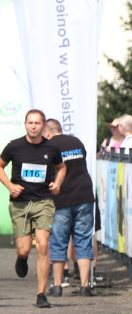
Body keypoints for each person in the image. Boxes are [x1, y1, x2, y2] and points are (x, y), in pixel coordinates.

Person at [0, 109, 66, 308]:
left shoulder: (51, 147)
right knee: (25, 248)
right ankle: (21, 257)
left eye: (37, 123)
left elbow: (61, 168)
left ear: (43, 126)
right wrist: (10, 186)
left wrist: (57, 184)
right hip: (20, 203)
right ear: (25, 124)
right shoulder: (14, 146)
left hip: (43, 201)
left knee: (43, 245)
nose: (34, 126)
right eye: (30, 122)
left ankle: (41, 294)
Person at [44, 119, 96, 297]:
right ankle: (85, 286)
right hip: (84, 195)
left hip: (62, 198)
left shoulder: (48, 146)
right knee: (83, 239)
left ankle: (57, 286)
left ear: (47, 132)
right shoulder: (77, 142)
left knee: (58, 241)